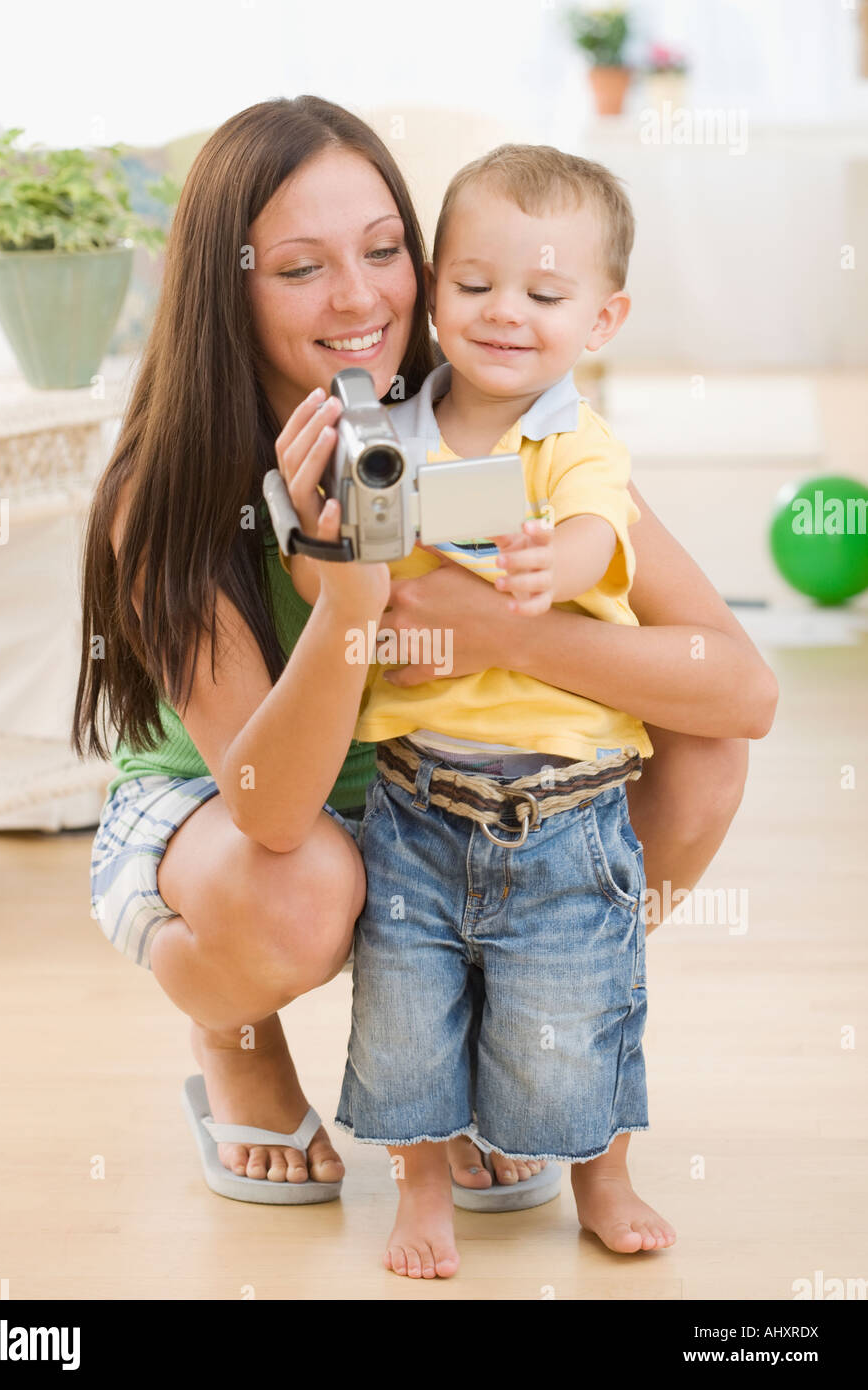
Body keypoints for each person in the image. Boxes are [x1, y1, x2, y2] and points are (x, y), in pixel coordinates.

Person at [73, 97, 777, 1208]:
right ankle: (231, 1028)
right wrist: (352, 599)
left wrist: (496, 621)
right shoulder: (168, 493)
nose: (359, 298)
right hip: (227, 820)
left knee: (703, 756)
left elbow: (740, 692)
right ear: (229, 285)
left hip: (437, 806)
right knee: (306, 883)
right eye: (301, 266)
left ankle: (481, 1046)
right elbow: (269, 809)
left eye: (386, 249)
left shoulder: (499, 429)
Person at [284, 141, 680, 1276]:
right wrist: (354, 577)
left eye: (545, 295)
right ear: (433, 295)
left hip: (565, 812)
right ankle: (421, 1188)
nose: (507, 313)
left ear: (600, 320)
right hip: (416, 802)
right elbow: (344, 588)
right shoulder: (389, 435)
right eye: (474, 286)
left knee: (578, 1011)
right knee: (408, 1015)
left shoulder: (574, 444)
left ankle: (602, 1174)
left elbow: (606, 528)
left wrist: (560, 564)